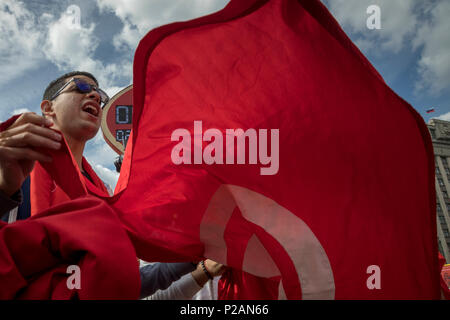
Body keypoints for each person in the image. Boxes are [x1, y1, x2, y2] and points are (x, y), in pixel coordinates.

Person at [0, 71, 226, 299]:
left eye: (100, 94)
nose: (95, 97)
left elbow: (118, 283)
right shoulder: (13, 165)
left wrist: (195, 254)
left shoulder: (104, 196)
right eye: (80, 87)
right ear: (48, 108)